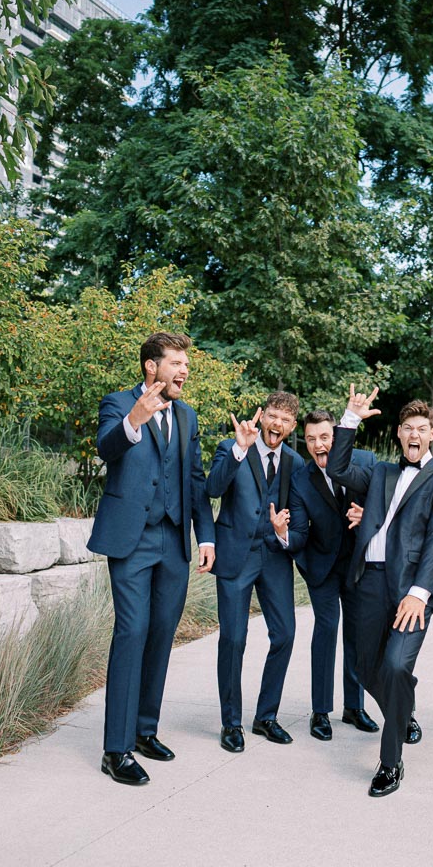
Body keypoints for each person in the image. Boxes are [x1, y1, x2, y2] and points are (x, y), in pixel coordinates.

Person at [88, 332, 216, 786]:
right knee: (132, 631)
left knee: (162, 634)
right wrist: (134, 420)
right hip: (130, 540)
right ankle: (116, 749)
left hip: (174, 540)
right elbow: (106, 448)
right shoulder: (117, 402)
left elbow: (195, 479)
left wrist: (207, 536)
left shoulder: (186, 415)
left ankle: (144, 731)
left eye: (186, 364)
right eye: (176, 363)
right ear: (151, 367)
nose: (184, 371)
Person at [328, 387, 433, 797]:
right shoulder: (381, 472)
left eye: (421, 428)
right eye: (407, 428)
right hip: (367, 580)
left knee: (397, 667)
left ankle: (390, 762)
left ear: (431, 434)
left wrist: (420, 592)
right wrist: (350, 418)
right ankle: (405, 711)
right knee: (366, 669)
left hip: (410, 589)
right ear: (399, 434)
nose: (414, 434)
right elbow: (337, 467)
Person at [206, 392, 310, 752]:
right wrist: (238, 450)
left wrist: (284, 532)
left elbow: (299, 516)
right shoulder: (232, 446)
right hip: (236, 555)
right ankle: (231, 722)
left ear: (292, 426)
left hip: (274, 558)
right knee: (233, 639)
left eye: (285, 420)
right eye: (273, 416)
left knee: (284, 634)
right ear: (262, 416)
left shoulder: (296, 463)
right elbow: (213, 488)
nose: (277, 424)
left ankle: (266, 716)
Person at [291, 408, 380, 740]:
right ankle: (320, 711)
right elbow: (299, 530)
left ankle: (354, 707)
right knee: (326, 628)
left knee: (357, 633)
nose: (318, 445)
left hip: (358, 563)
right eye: (311, 439)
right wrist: (285, 536)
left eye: (324, 437)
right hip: (322, 565)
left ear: (337, 436)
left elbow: (385, 507)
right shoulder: (301, 478)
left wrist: (368, 515)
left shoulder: (366, 461)